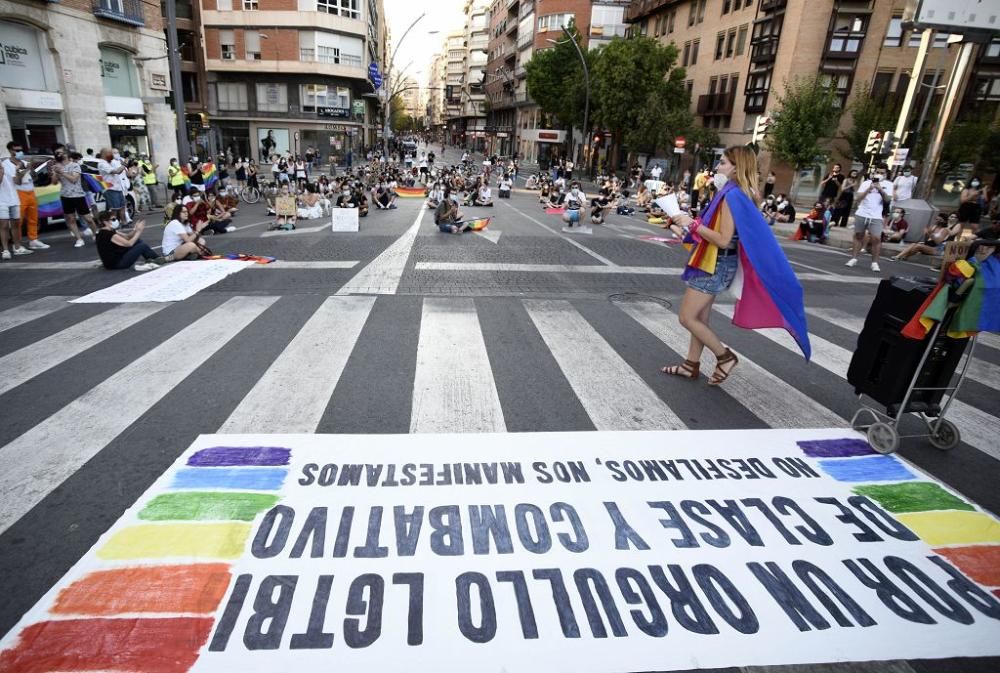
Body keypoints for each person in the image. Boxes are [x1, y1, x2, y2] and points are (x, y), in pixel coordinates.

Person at [661, 145, 810, 385]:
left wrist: (693, 224)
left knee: (687, 318)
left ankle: (725, 356)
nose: (717, 166)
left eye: (722, 162)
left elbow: (723, 239)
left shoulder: (732, 196)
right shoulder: (733, 192)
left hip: (715, 263)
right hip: (716, 261)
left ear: (735, 167)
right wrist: (682, 225)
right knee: (700, 318)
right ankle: (691, 365)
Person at [846, 165, 892, 272]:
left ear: (886, 174)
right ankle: (854, 258)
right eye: (878, 172)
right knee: (858, 235)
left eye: (882, 173)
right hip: (862, 213)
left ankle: (874, 263)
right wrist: (869, 189)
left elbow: (887, 200)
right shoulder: (866, 183)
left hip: (876, 215)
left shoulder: (889, 184)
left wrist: (880, 189)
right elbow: (858, 198)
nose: (879, 174)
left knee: (876, 238)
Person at [95, 211, 163, 271]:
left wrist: (135, 229)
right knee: (142, 246)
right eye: (113, 219)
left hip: (116, 259)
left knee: (138, 241)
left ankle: (153, 259)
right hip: (116, 264)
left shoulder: (108, 231)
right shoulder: (107, 234)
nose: (115, 221)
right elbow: (129, 243)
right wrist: (139, 231)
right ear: (105, 221)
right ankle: (159, 259)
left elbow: (127, 237)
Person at [0, 142, 32, 259]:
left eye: (20, 150)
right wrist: (1, 171)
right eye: (16, 150)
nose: (19, 152)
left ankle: (17, 247)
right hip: (2, 200)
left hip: (14, 198)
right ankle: (5, 250)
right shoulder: (4, 164)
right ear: (9, 150)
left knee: (16, 224)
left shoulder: (20, 164)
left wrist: (20, 170)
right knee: (3, 225)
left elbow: (17, 182)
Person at [892, 213, 962, 262]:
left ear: (943, 221)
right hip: (929, 245)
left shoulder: (945, 230)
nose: (936, 221)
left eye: (938, 220)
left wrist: (931, 234)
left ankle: (902, 256)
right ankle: (900, 256)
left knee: (918, 246)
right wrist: (926, 234)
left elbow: (938, 242)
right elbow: (927, 240)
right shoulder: (933, 227)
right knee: (914, 245)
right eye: (936, 219)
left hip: (937, 249)